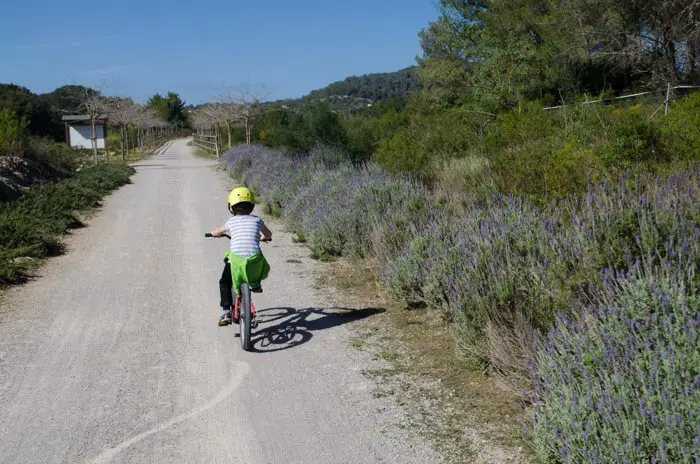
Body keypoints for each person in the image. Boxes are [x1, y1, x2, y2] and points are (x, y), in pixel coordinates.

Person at [210, 187, 272, 326]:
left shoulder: (231, 222)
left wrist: (214, 233)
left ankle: (226, 312)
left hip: (236, 261)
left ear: (231, 207)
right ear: (251, 206)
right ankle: (255, 284)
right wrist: (263, 238)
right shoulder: (257, 221)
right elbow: (268, 234)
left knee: (225, 282)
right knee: (258, 262)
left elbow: (218, 231)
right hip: (254, 262)